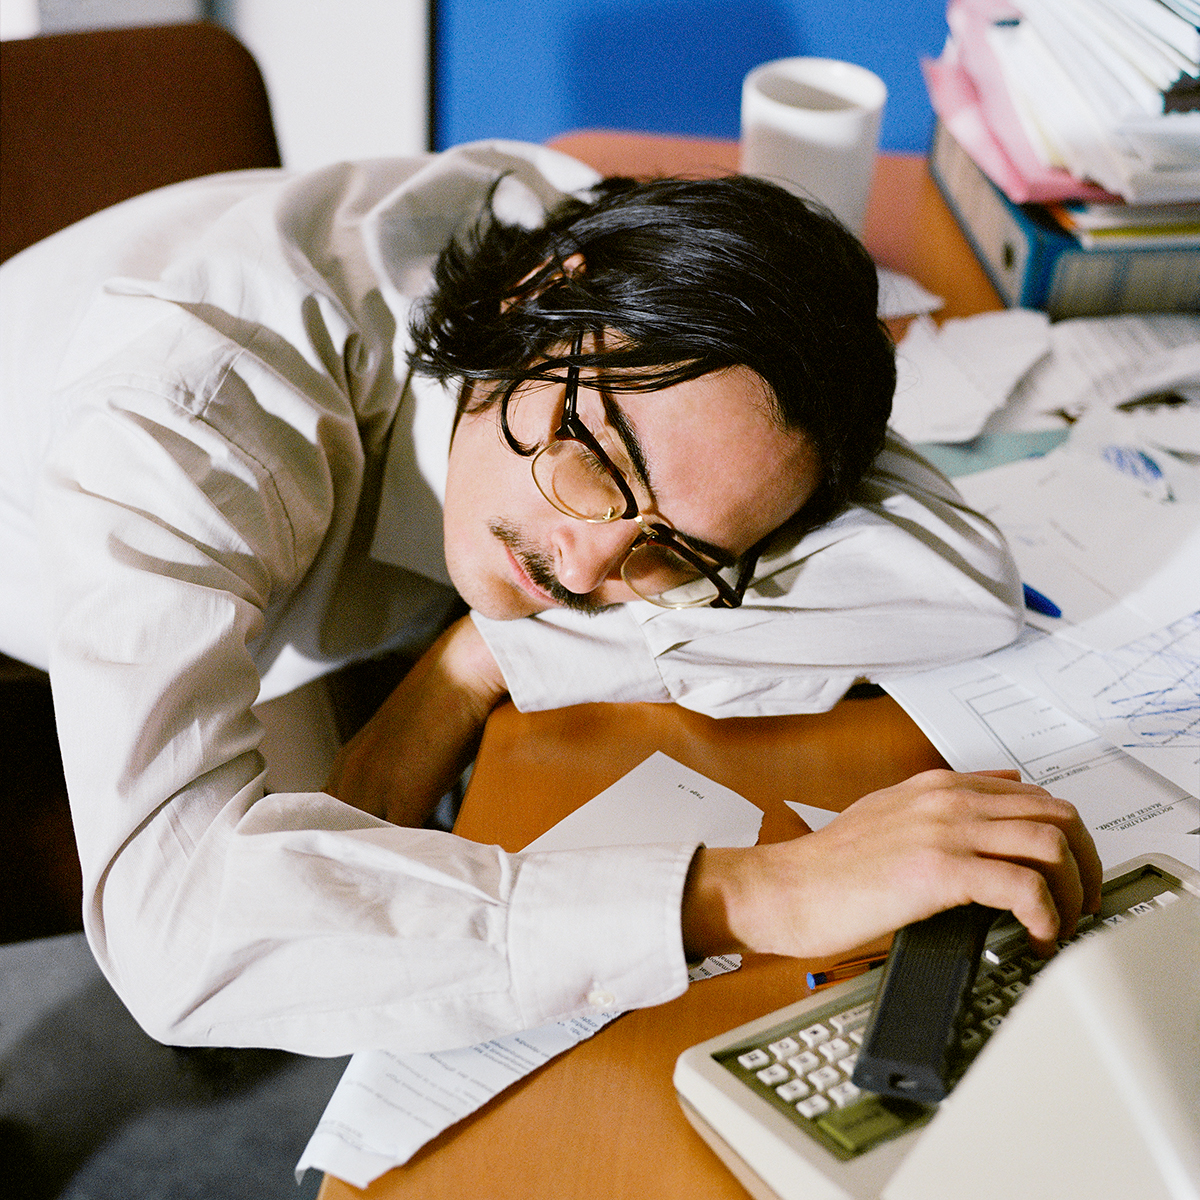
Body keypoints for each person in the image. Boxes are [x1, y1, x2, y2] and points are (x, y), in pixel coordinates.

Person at [0, 141, 1100, 1056]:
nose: (582, 576)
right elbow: (174, 936)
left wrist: (478, 659)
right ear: (540, 298)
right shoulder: (182, 420)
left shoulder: (629, 276)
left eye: (673, 548)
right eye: (602, 461)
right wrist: (752, 895)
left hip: (294, 597)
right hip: (45, 564)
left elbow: (957, 579)